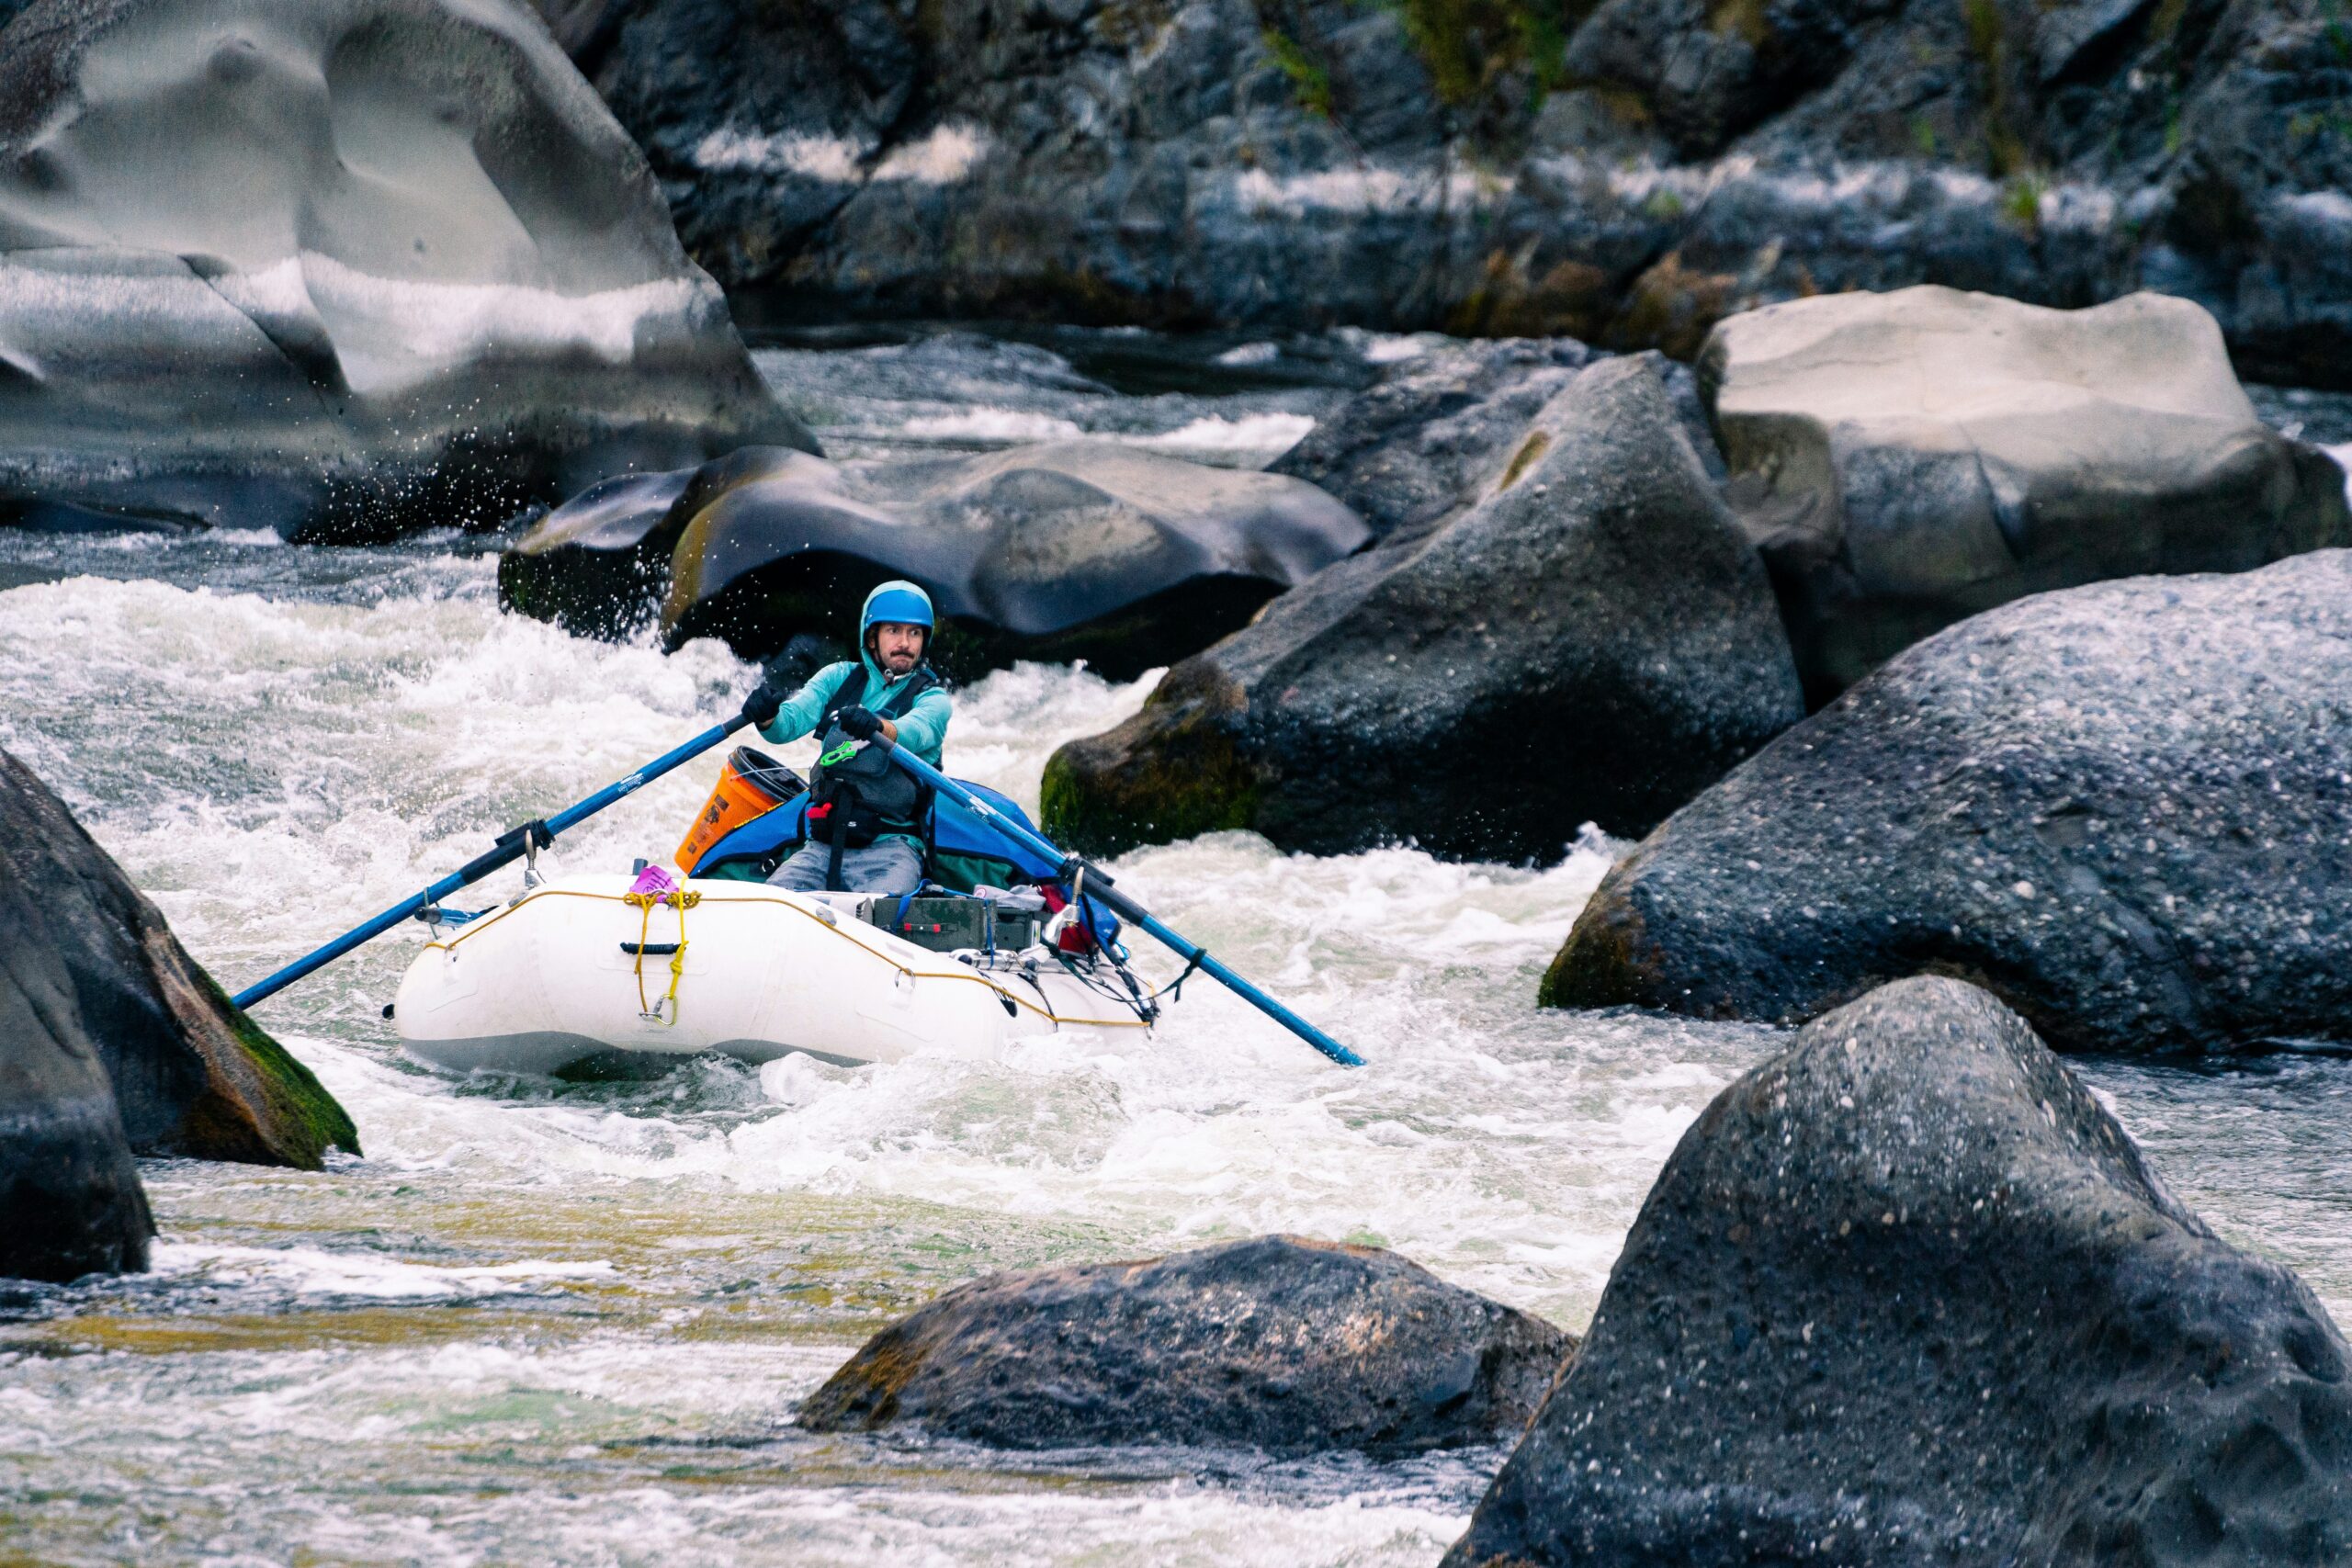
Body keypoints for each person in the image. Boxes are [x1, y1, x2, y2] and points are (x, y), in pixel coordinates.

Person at [738, 581, 951, 896]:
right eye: (894, 630)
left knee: (878, 911)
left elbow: (914, 732)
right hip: (822, 848)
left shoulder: (933, 699)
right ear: (872, 637)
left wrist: (879, 727)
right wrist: (768, 715)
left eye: (914, 633)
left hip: (893, 850)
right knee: (772, 904)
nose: (905, 642)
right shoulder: (838, 678)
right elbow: (788, 724)